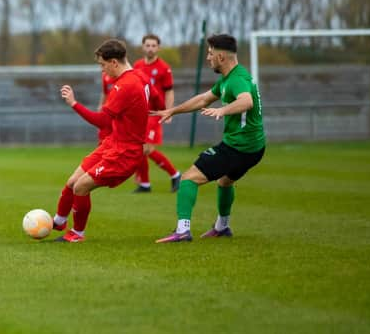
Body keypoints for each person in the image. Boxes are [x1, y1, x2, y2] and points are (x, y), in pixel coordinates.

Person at [152, 34, 265, 243]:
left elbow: (247, 101)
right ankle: (222, 227)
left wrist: (223, 111)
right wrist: (173, 111)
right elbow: (204, 99)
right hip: (255, 147)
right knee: (224, 182)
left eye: (211, 53)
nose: (208, 58)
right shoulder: (229, 78)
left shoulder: (237, 80)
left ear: (221, 57)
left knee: (188, 178)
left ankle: (182, 230)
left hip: (238, 147)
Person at [52, 39, 149, 242]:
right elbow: (154, 97)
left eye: (103, 65)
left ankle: (77, 234)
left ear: (114, 62)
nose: (103, 71)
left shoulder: (126, 85)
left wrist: (74, 103)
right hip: (112, 143)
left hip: (124, 153)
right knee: (71, 182)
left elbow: (103, 121)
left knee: (80, 187)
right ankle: (59, 221)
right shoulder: (139, 76)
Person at [132, 34, 180, 193]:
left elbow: (169, 91)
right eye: (148, 45)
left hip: (156, 113)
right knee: (139, 148)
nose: (150, 48)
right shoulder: (137, 65)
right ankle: (145, 184)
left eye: (153, 45)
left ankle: (175, 174)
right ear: (143, 47)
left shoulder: (163, 68)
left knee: (146, 148)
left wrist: (169, 111)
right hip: (140, 114)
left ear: (158, 48)